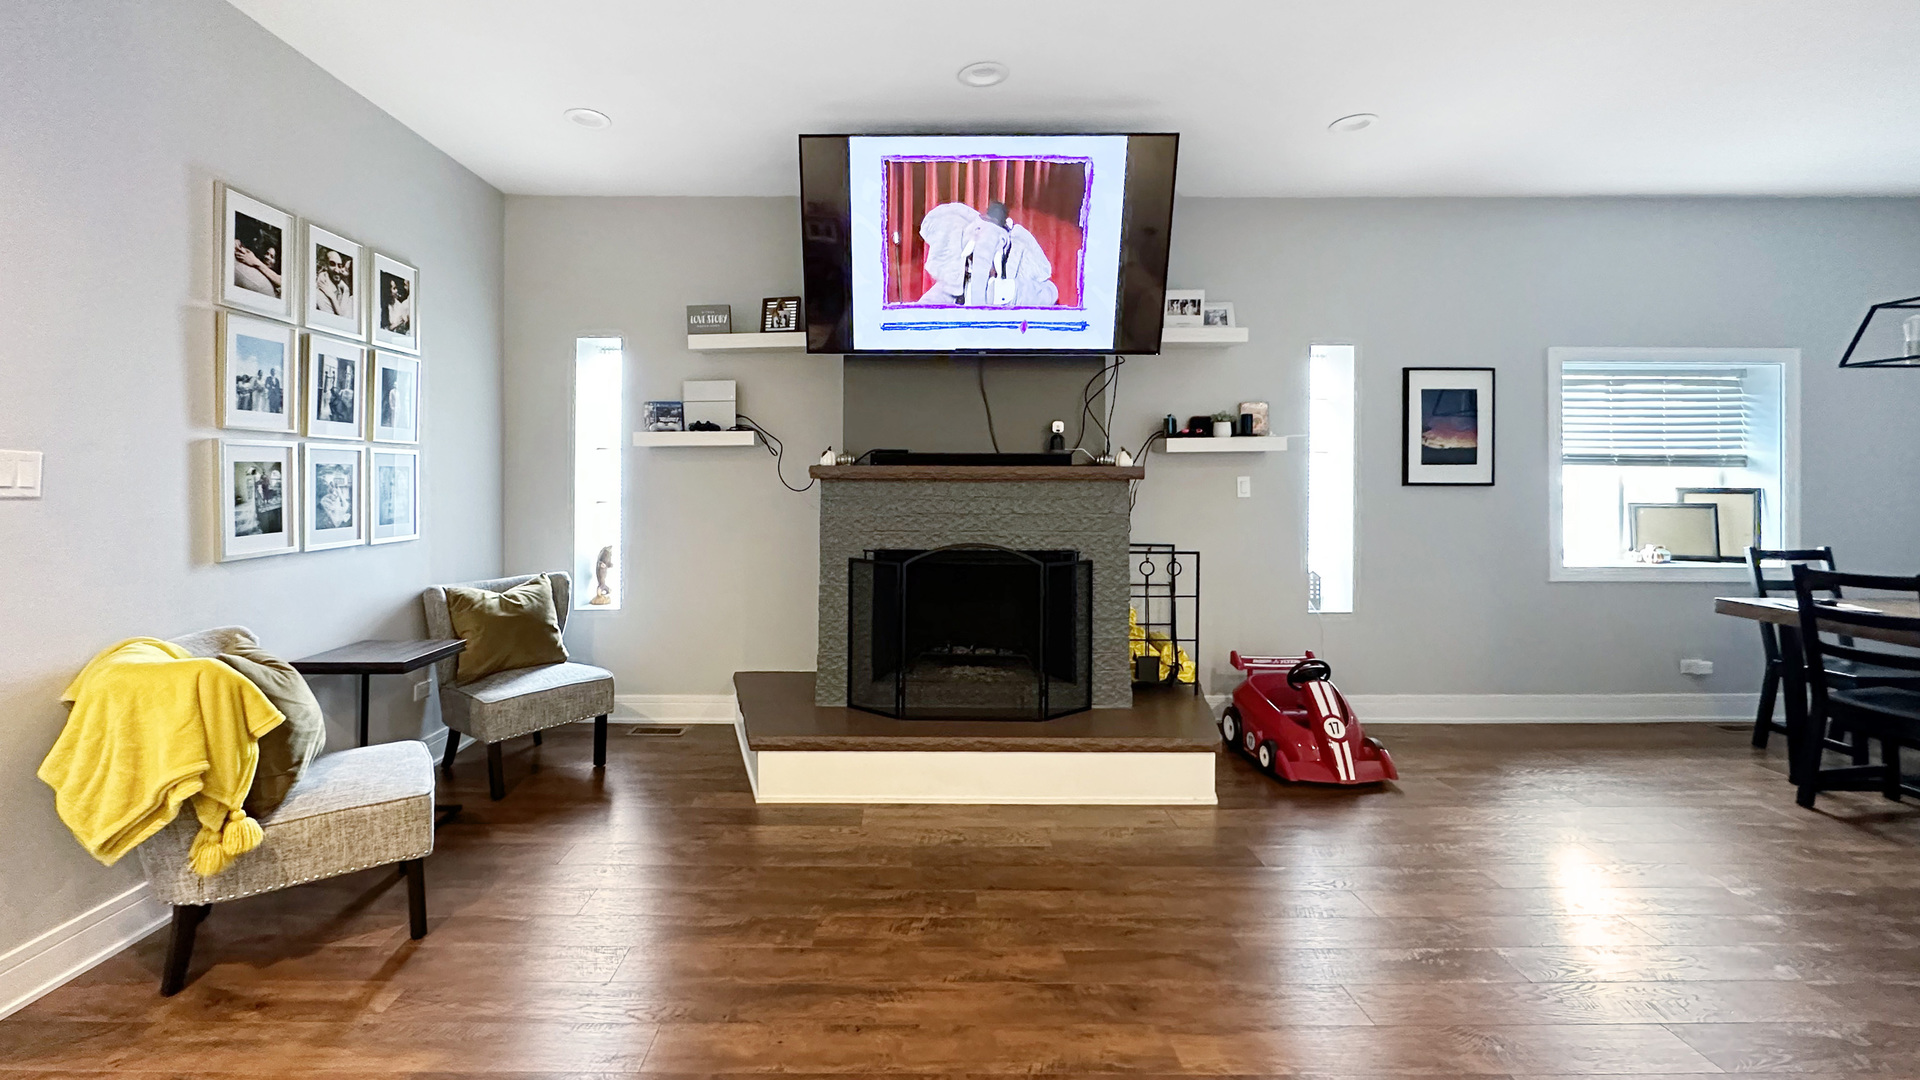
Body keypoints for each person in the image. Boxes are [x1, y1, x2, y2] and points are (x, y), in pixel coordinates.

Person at [915, 200, 1057, 307]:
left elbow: (1050, 293)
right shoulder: (957, 282)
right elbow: (925, 310)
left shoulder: (1015, 254)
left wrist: (1007, 292)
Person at [313, 248, 352, 316]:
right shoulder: (320, 291)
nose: (338, 270)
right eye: (332, 264)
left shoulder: (345, 291)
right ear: (325, 266)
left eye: (340, 266)